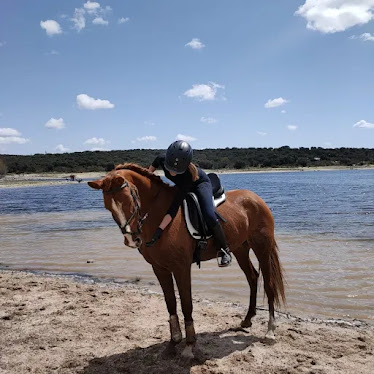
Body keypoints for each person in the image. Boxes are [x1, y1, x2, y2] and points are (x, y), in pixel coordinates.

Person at [147, 140, 232, 267]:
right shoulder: (161, 159)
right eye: (170, 168)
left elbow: (174, 207)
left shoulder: (187, 176)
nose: (172, 173)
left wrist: (160, 230)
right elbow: (149, 174)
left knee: (208, 214)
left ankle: (225, 250)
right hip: (180, 185)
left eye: (177, 170)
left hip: (199, 184)